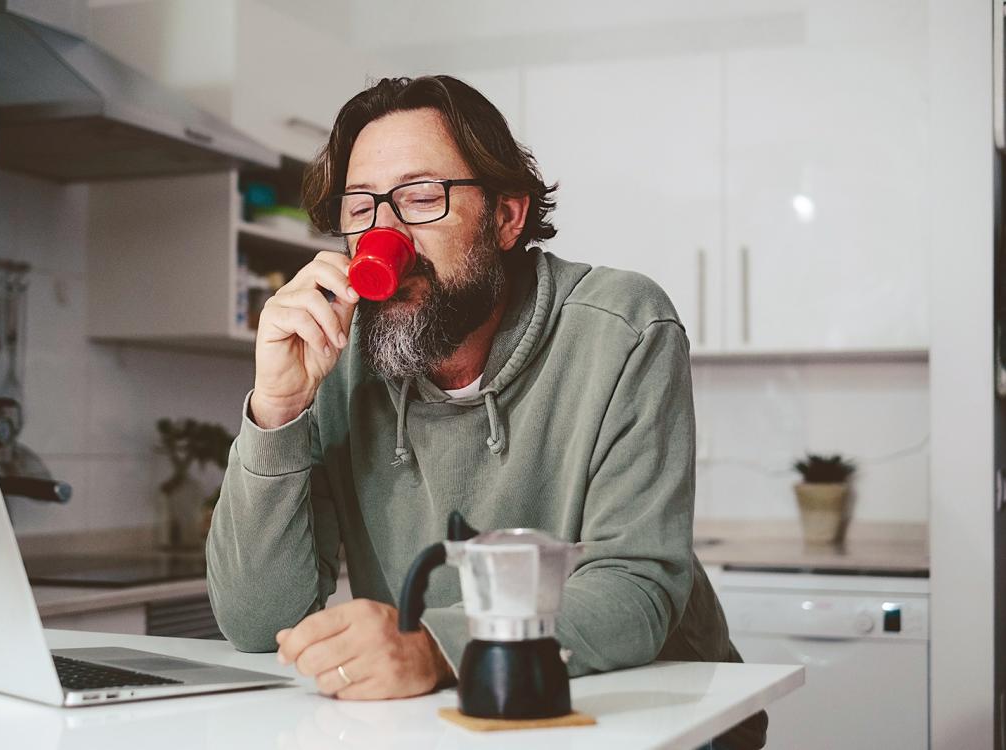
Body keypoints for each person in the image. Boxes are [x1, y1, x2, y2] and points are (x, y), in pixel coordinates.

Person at [206, 75, 767, 749]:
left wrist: (435, 648)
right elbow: (253, 621)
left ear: (505, 217)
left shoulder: (620, 326)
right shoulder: (335, 353)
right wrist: (276, 410)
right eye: (360, 209)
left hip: (646, 712)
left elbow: (635, 588)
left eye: (419, 198)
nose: (384, 237)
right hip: (451, 721)